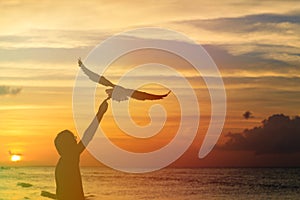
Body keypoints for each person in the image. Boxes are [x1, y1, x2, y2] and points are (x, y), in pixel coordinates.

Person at [54, 97, 109, 200]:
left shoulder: (61, 165)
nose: (76, 142)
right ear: (67, 146)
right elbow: (88, 136)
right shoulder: (70, 159)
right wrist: (100, 113)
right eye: (73, 140)